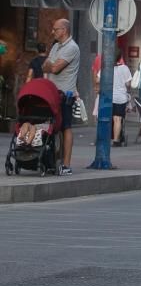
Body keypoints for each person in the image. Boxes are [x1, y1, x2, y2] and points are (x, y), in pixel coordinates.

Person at [43, 18, 80, 175]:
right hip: (52, 93)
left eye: (55, 29)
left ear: (64, 30)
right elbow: (45, 65)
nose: (53, 32)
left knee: (65, 127)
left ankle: (66, 164)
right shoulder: (56, 46)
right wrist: (51, 65)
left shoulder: (71, 47)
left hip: (65, 94)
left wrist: (51, 65)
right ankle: (52, 160)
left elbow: (55, 68)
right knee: (52, 127)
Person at [111, 48, 132, 147]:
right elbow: (128, 84)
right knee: (118, 119)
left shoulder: (107, 68)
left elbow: (98, 79)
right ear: (120, 57)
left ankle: (108, 138)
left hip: (109, 97)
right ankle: (116, 140)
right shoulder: (125, 68)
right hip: (121, 97)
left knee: (110, 119)